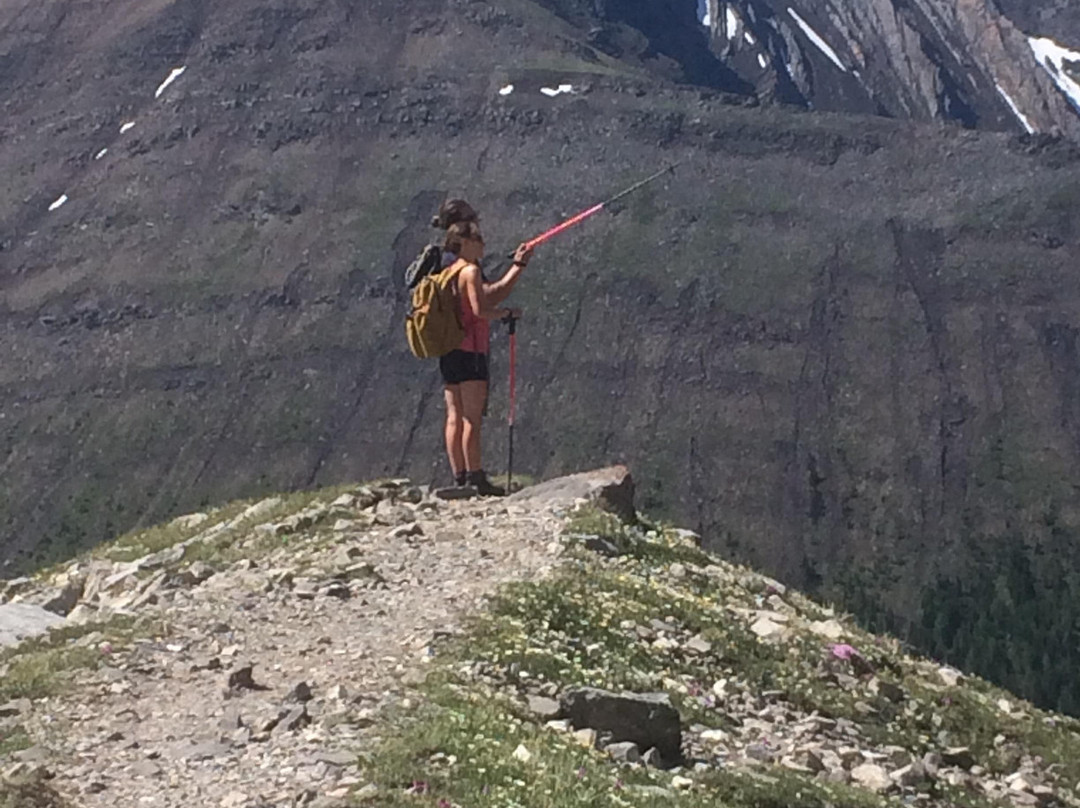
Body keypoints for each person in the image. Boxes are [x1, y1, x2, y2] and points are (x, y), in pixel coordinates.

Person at [439, 219, 532, 495]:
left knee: (454, 415)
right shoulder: (469, 271)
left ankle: (459, 476)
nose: (483, 243)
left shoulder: (447, 271)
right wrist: (507, 314)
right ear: (465, 243)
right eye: (478, 239)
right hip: (471, 351)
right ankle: (476, 477)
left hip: (448, 350)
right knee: (472, 417)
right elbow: (479, 310)